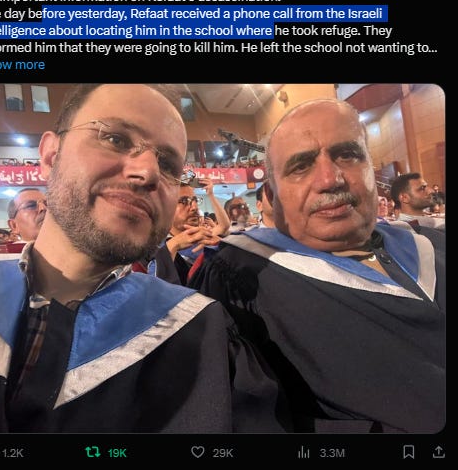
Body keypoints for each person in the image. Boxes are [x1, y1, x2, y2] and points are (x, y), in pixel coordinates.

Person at [0, 84, 284, 434]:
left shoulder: (202, 335)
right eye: (116, 139)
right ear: (50, 156)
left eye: (168, 164)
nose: (149, 172)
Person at [190, 98, 445, 433]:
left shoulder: (431, 243)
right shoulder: (238, 278)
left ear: (371, 169)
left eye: (348, 155)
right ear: (273, 196)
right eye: (300, 166)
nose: (330, 179)